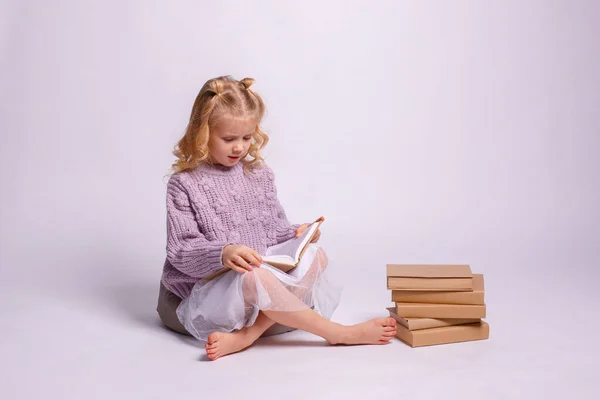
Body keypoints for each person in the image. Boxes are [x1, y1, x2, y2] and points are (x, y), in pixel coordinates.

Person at [157, 75, 397, 360]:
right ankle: (337, 333)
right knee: (254, 276)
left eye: (247, 137)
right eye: (229, 139)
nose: (239, 148)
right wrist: (223, 253)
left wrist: (299, 234)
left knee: (316, 256)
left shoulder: (258, 174)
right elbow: (181, 250)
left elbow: (273, 229)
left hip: (256, 275)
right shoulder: (184, 184)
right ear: (202, 132)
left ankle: (248, 335)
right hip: (209, 288)